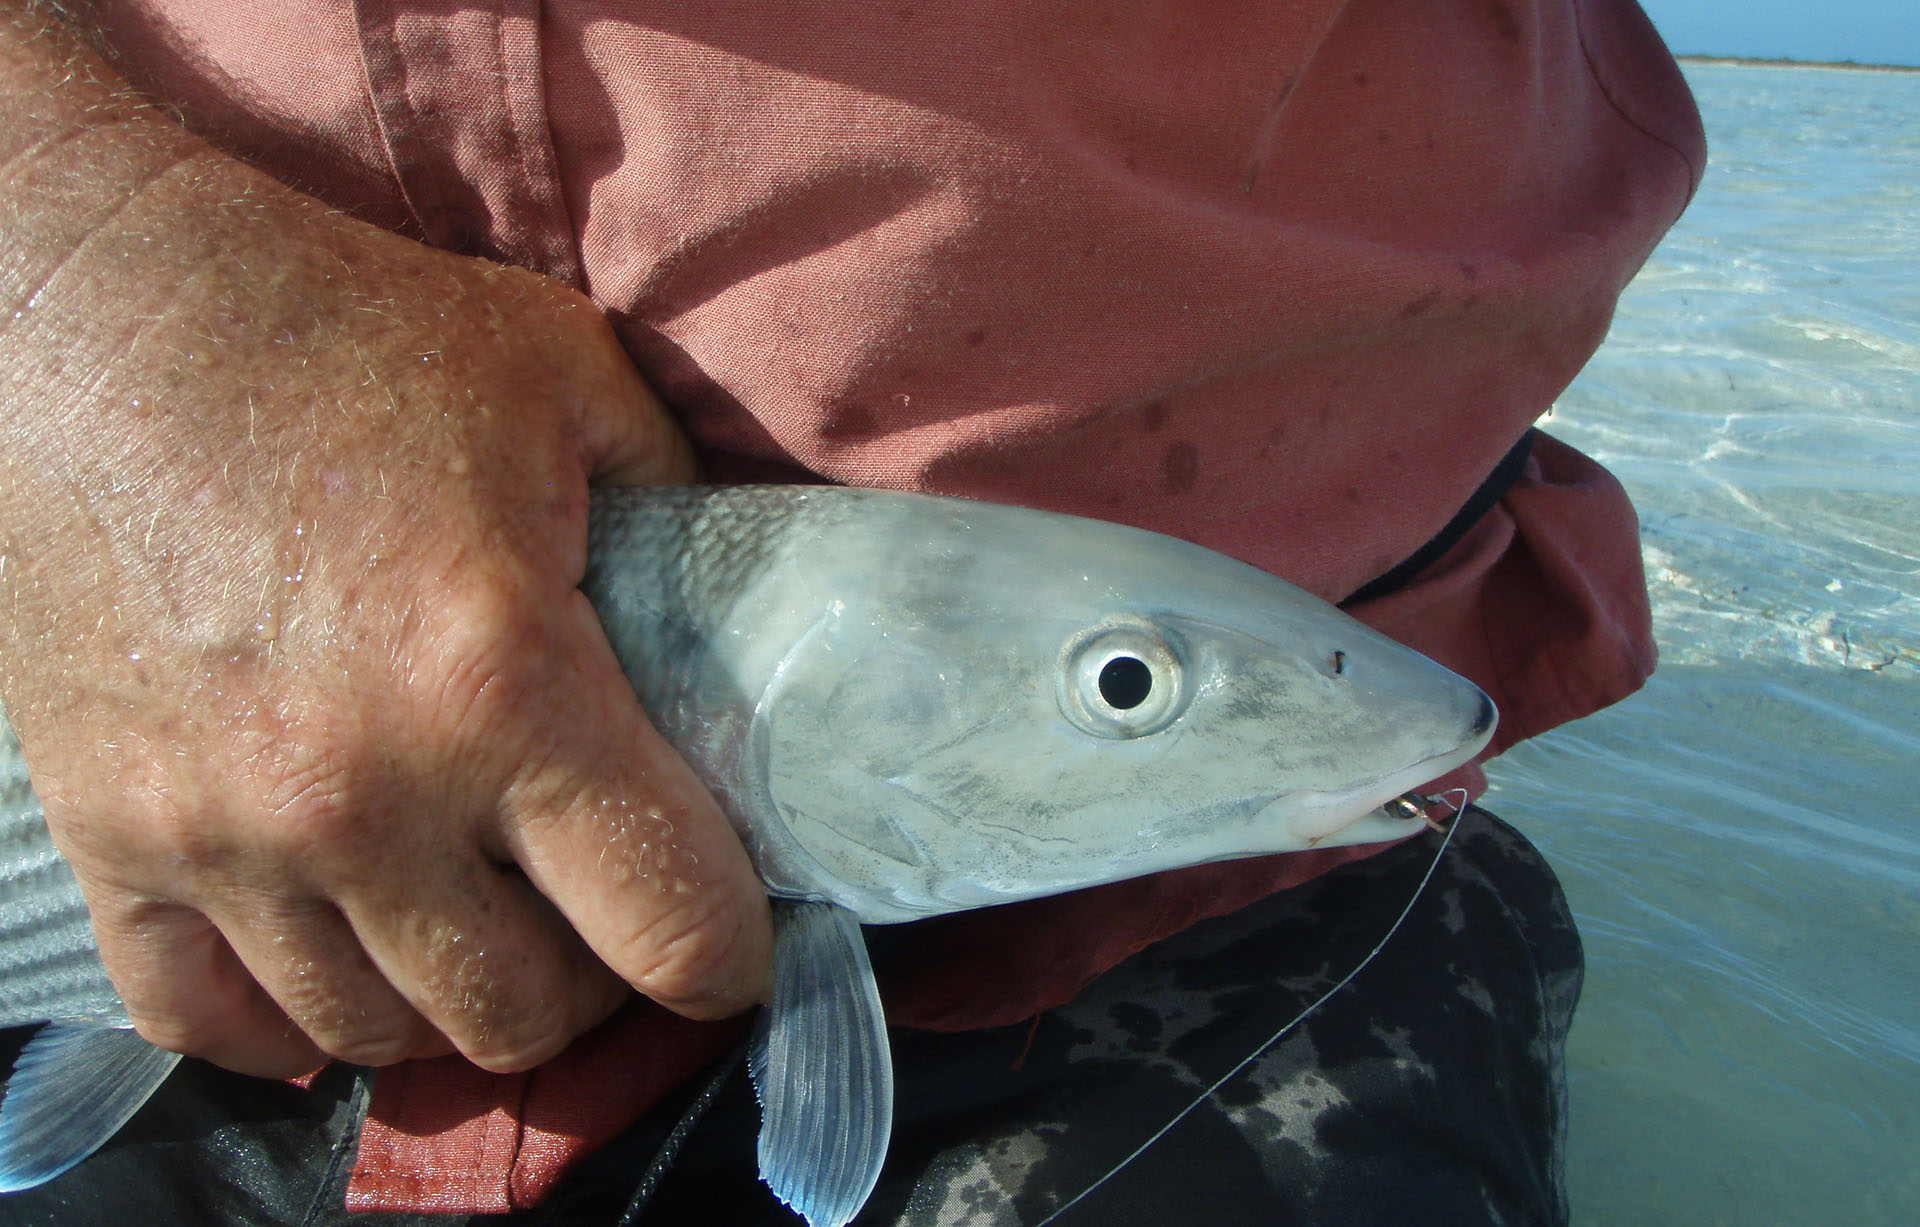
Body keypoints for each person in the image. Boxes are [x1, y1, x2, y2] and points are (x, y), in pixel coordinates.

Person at [0, 1, 1704, 1222]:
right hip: (83, 623)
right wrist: (68, 297)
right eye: (1126, 683)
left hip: (1210, 919)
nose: (1130, 684)